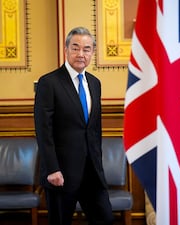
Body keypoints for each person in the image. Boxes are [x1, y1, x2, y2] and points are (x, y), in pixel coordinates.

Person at [34, 27, 114, 225]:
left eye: (86, 49)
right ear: (66, 49)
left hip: (92, 172)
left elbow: (94, 130)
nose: (81, 54)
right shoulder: (49, 82)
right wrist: (52, 168)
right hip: (61, 173)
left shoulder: (95, 83)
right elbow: (44, 130)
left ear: (92, 52)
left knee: (105, 219)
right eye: (75, 48)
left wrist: (99, 165)